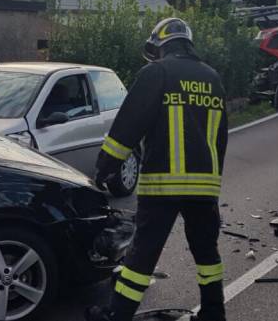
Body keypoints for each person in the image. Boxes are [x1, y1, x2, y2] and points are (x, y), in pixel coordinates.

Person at [86, 18, 229, 321]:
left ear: (160, 45)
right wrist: (213, 181)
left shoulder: (157, 73)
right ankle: (214, 313)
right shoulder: (212, 77)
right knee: (207, 254)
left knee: (142, 256)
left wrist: (104, 169)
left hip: (163, 187)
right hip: (205, 187)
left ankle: (117, 314)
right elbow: (220, 137)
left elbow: (128, 125)